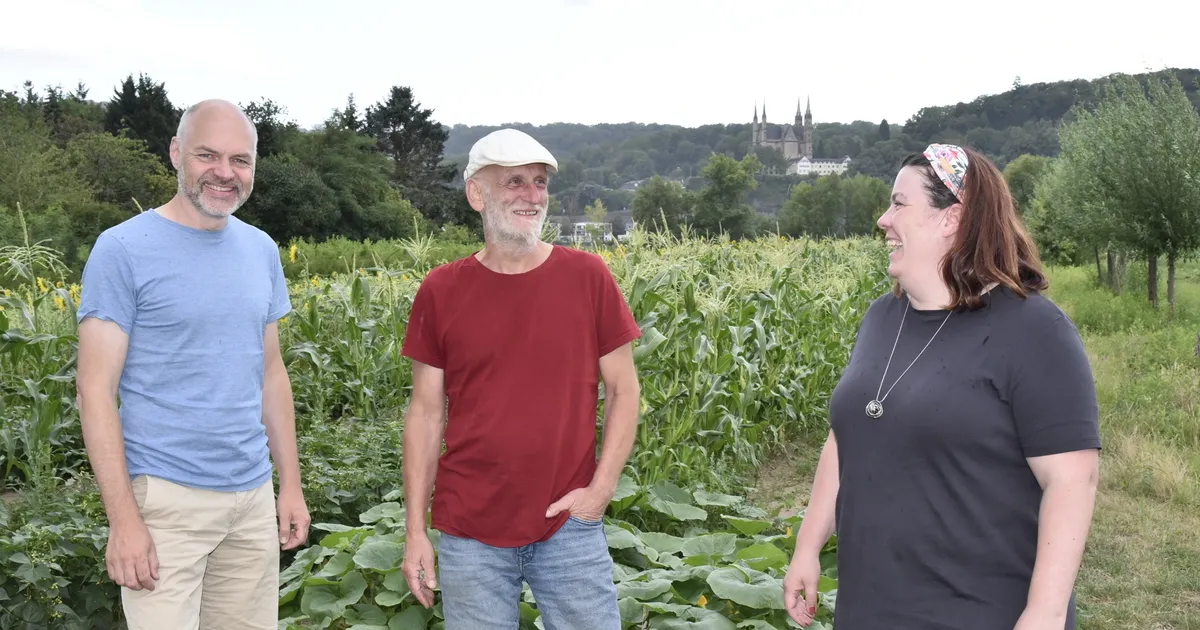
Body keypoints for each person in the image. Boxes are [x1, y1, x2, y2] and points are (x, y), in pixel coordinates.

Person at [783, 143, 1101, 630]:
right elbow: (846, 438)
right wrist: (808, 546)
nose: (883, 220)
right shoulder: (881, 318)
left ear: (951, 218)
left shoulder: (1034, 330)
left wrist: (1045, 613)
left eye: (899, 204)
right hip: (871, 606)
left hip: (978, 610)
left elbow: (1072, 479)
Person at [75, 99, 309, 629]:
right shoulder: (123, 249)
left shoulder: (261, 250)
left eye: (240, 160)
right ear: (177, 153)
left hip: (251, 498)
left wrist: (290, 484)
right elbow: (94, 391)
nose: (225, 172)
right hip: (166, 502)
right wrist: (123, 521)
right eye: (208, 155)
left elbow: (271, 373)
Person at [398, 128, 642, 629]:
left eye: (540, 182)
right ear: (477, 193)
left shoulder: (588, 276)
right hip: (470, 529)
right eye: (514, 182)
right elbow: (424, 412)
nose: (532, 195)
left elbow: (624, 389)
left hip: (569, 522)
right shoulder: (441, 289)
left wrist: (599, 491)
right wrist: (415, 530)